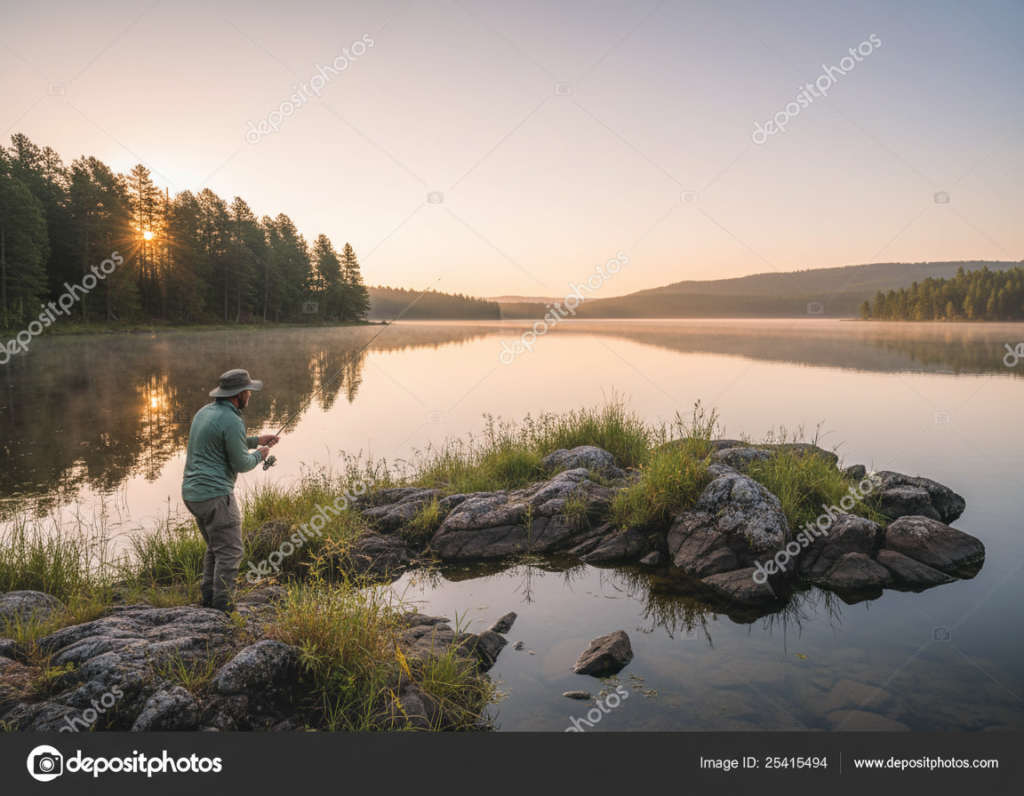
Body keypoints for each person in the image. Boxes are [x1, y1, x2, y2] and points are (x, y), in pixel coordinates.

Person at [181, 369, 280, 612]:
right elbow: (241, 463)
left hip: (192, 494)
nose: (250, 394)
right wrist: (259, 454)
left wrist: (256, 439)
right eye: (248, 391)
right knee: (231, 552)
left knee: (216, 547)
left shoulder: (205, 412)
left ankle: (208, 601)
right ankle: (223, 609)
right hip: (215, 496)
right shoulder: (233, 419)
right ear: (238, 394)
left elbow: (224, 438)